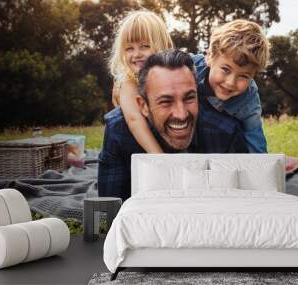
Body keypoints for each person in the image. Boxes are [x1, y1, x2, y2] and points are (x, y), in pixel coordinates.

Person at [98, 50, 248, 200]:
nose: (181, 114)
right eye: (166, 101)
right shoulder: (119, 131)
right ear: (143, 106)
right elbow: (109, 211)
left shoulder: (225, 133)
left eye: (189, 98)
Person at [115, 19, 270, 154]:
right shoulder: (189, 66)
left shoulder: (249, 100)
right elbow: (158, 71)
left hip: (221, 140)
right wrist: (124, 84)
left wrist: (260, 171)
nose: (230, 82)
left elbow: (255, 140)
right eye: (225, 70)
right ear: (210, 57)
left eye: (243, 76)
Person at [109, 10, 173, 153]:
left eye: (145, 46)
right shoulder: (129, 81)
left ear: (163, 45)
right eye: (129, 48)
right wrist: (160, 158)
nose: (137, 54)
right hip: (136, 147)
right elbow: (134, 120)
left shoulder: (173, 73)